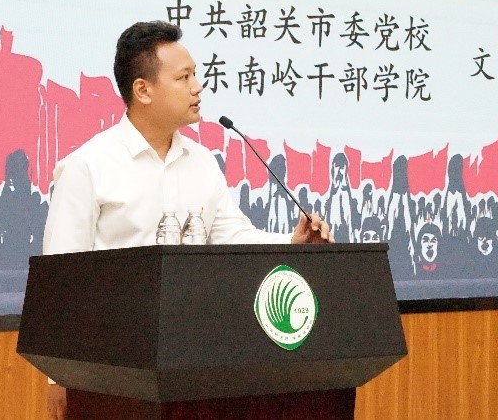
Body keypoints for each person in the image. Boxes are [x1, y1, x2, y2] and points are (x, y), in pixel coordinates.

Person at [42, 21, 331, 418]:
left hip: (194, 362)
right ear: (143, 90)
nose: (198, 87)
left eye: (195, 75)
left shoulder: (202, 162)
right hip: (112, 369)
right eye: (184, 78)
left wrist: (292, 243)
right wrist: (58, 379)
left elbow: (231, 236)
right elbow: (62, 280)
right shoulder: (88, 167)